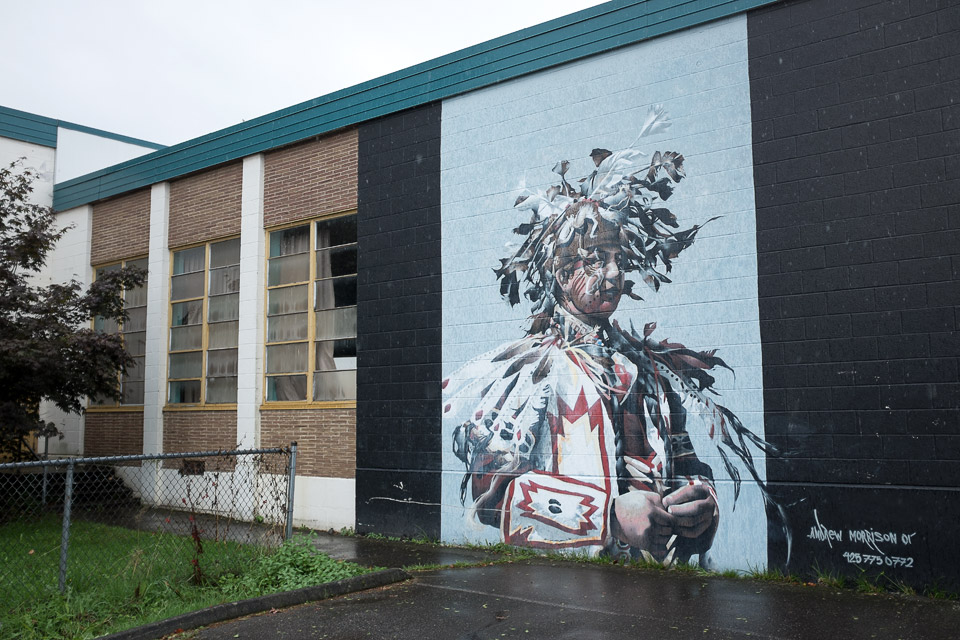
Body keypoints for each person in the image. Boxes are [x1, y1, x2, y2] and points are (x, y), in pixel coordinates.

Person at [444, 129, 781, 565]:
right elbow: (489, 496)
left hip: (654, 597)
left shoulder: (649, 370)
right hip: (560, 597)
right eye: (595, 259)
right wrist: (608, 515)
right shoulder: (530, 372)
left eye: (619, 260)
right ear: (561, 273)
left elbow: (685, 458)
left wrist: (701, 502)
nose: (613, 275)